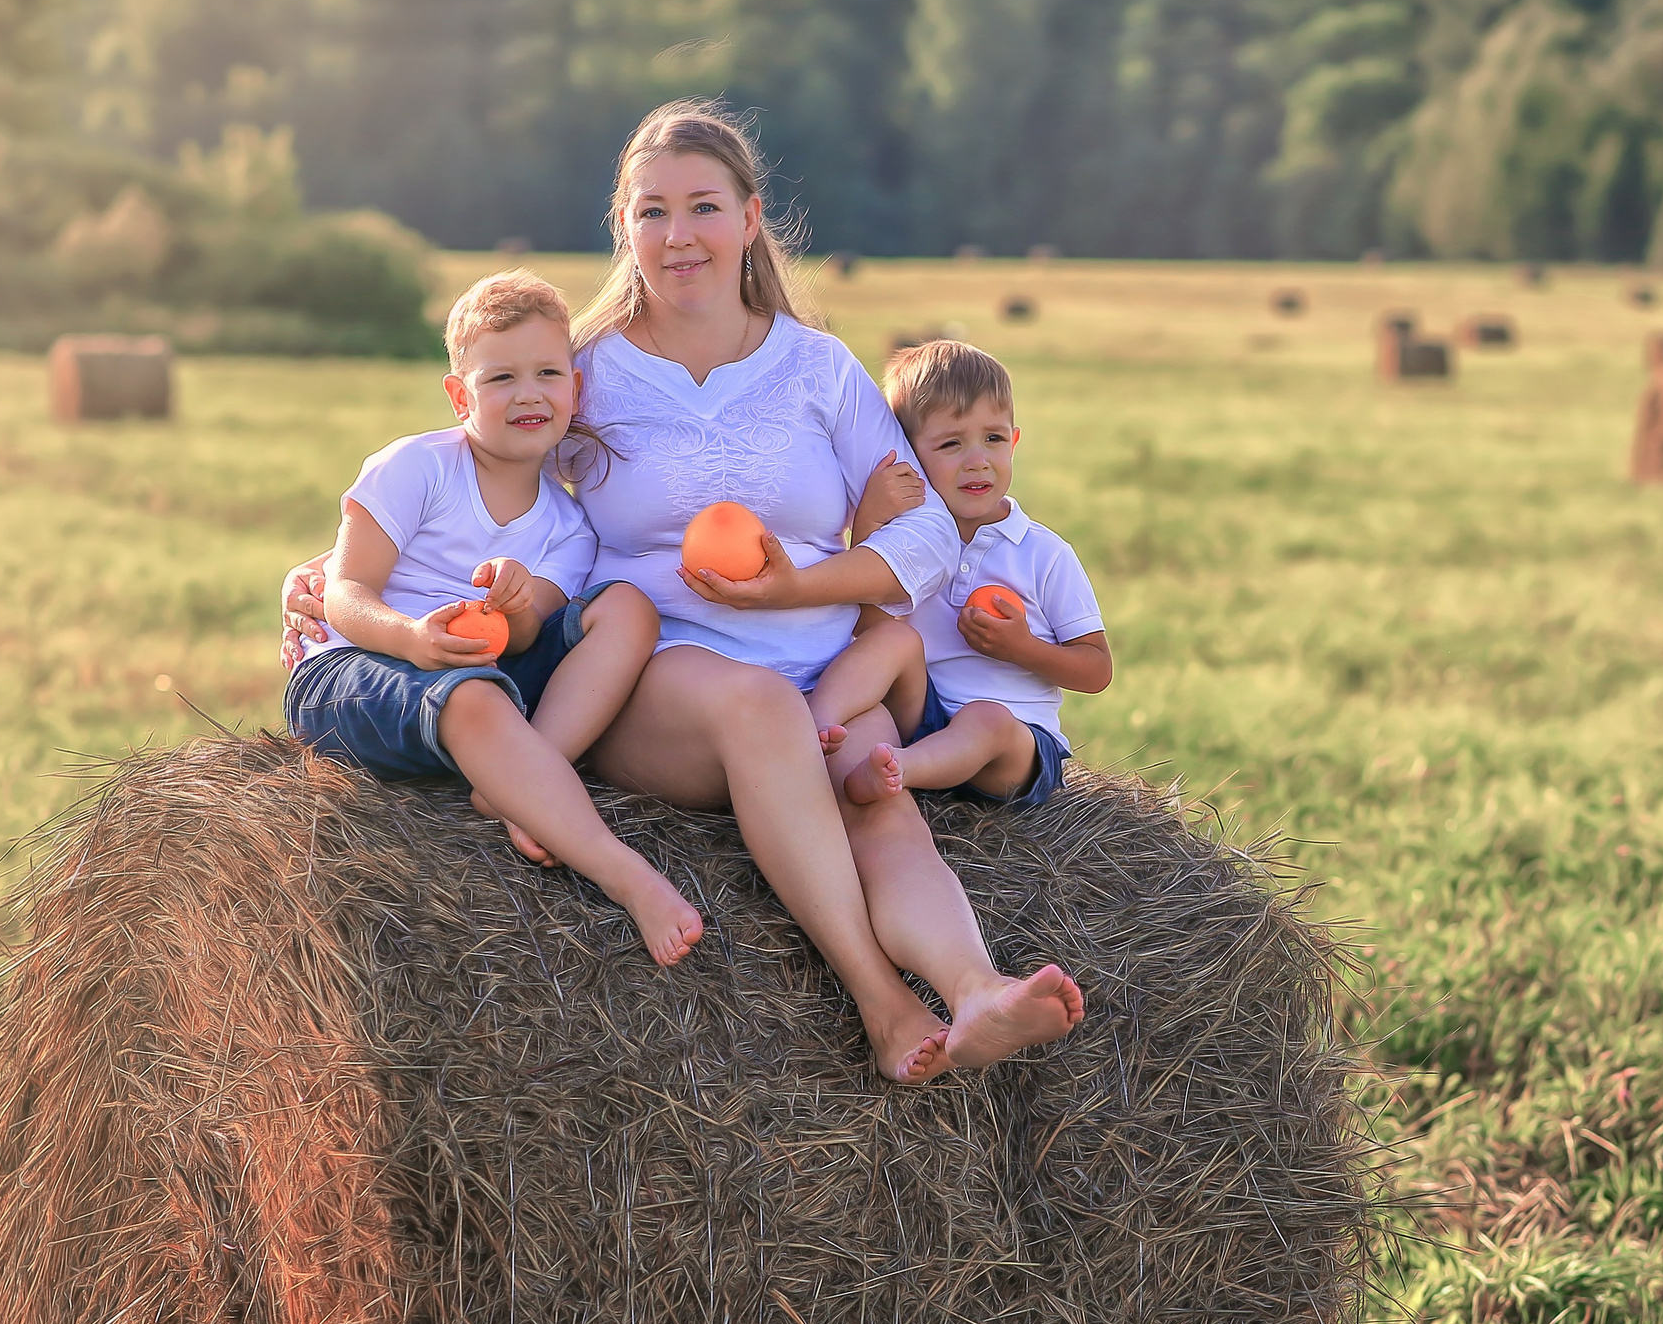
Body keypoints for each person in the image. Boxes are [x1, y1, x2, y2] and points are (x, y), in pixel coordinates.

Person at [285, 100, 1079, 1083]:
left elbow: (921, 531)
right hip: (656, 675)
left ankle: (974, 993)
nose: (678, 236)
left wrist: (802, 585)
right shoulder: (588, 369)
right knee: (755, 709)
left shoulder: (819, 369)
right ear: (623, 228)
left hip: (824, 668)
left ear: (749, 219)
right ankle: (881, 1004)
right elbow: (475, 450)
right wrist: (337, 572)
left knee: (883, 802)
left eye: (702, 207)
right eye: (650, 212)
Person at [282, 269, 703, 967]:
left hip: (480, 669)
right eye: (500, 378)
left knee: (626, 605)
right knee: (473, 697)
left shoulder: (568, 526)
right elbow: (344, 593)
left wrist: (518, 603)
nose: (529, 393)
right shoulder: (414, 468)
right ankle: (624, 872)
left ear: (575, 387)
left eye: (546, 373)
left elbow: (533, 632)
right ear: (459, 395)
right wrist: (413, 640)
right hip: (353, 665)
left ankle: (515, 786)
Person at [804, 340, 1111, 810]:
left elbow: (1096, 671)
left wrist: (1022, 648)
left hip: (1014, 747)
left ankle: (899, 772)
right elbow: (865, 632)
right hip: (922, 714)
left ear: (1014, 441)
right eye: (951, 444)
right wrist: (869, 526)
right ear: (908, 452)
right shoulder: (908, 543)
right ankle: (812, 728)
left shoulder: (1043, 553)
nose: (977, 460)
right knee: (894, 641)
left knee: (985, 719)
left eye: (993, 438)